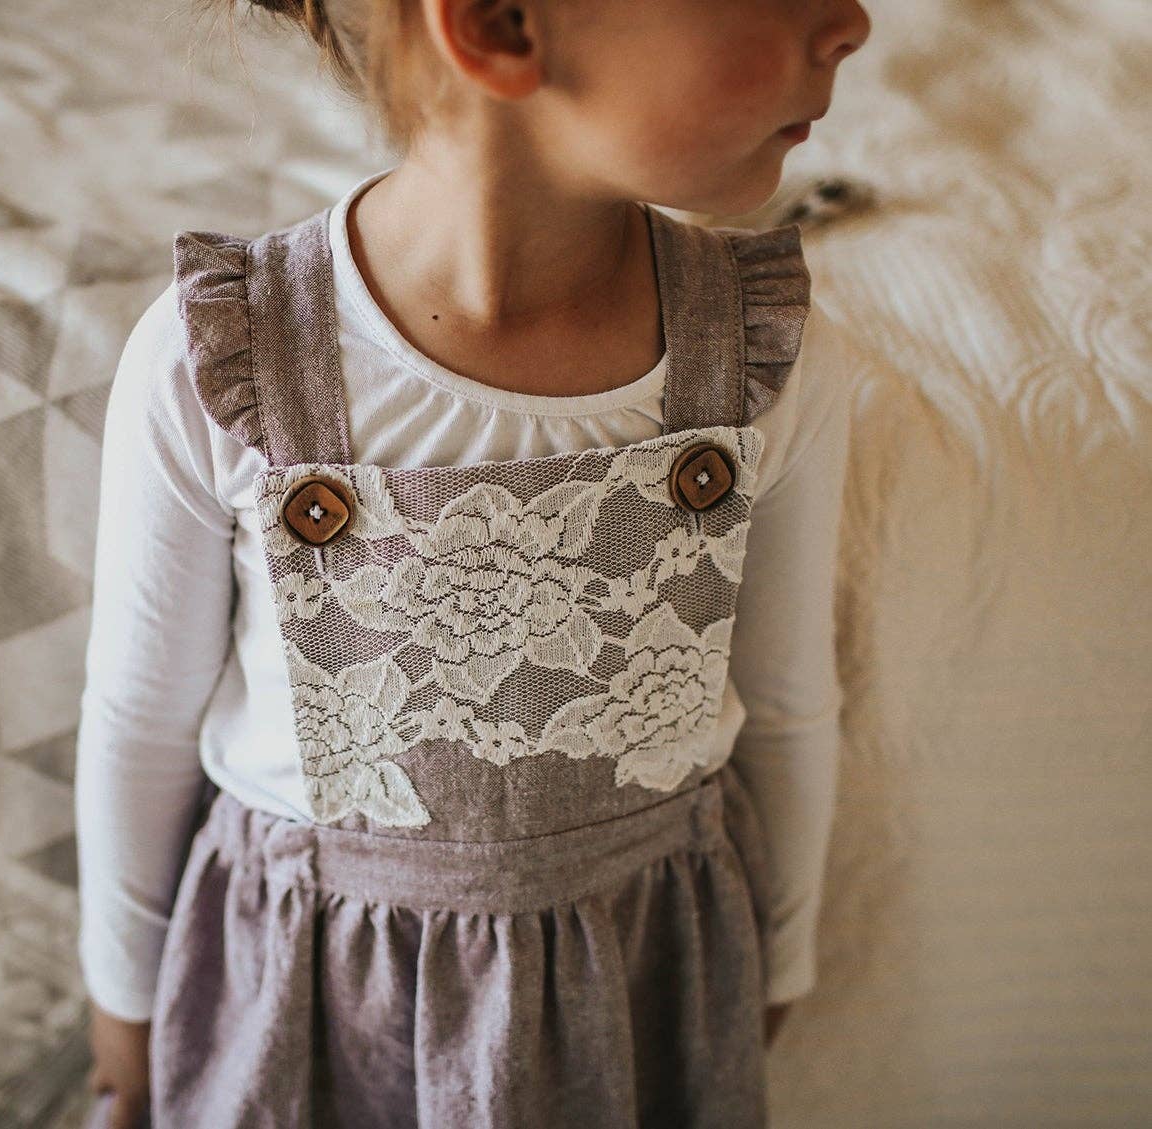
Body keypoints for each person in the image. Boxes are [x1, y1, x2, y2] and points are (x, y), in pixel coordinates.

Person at [77, 0, 872, 1125]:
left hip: (637, 978)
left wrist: (777, 963)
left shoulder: (758, 357)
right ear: (500, 26)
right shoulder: (225, 361)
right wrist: (127, 1001)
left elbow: (788, 702)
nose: (850, 23)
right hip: (314, 996)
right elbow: (139, 717)